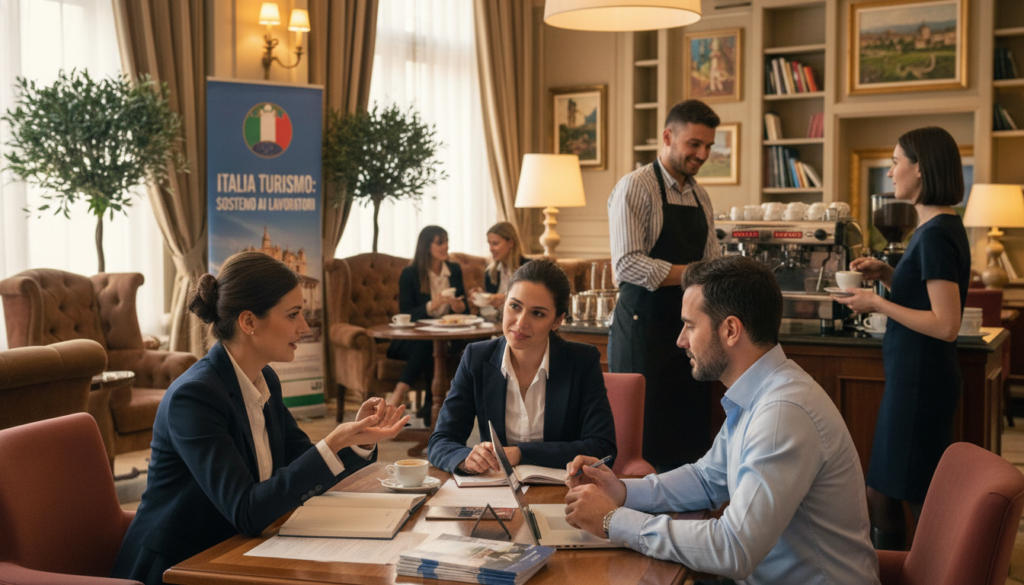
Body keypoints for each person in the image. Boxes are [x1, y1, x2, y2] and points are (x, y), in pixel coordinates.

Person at [563, 256, 880, 585]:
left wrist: (613, 520)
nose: (681, 341)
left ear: (730, 330)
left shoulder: (782, 412)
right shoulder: (761, 391)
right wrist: (622, 492)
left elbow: (735, 549)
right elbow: (706, 479)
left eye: (690, 325)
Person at [111, 252, 409, 585]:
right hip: (179, 567)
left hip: (238, 552)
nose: (305, 327)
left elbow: (304, 465)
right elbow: (246, 511)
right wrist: (333, 441)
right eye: (294, 314)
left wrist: (358, 440)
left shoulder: (264, 380)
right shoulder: (194, 398)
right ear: (249, 322)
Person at [832, 126, 970, 550]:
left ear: (921, 170)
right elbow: (929, 299)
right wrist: (889, 277)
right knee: (891, 491)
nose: (891, 173)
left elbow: (946, 323)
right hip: (915, 379)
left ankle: (928, 570)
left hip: (920, 383)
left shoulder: (934, 234)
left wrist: (877, 305)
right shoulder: (936, 228)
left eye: (896, 162)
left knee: (901, 493)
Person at [607, 98, 722, 472]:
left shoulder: (700, 195)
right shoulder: (635, 187)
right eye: (694, 144)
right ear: (668, 137)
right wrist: (694, 272)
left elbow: (713, 261)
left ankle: (687, 526)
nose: (702, 154)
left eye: (708, 146)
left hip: (691, 336)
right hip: (644, 335)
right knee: (644, 439)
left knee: (688, 437)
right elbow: (628, 264)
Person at [428, 259, 616, 474]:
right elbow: (440, 441)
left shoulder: (582, 360)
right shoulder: (476, 358)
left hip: (565, 491)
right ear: (504, 302)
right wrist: (466, 459)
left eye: (537, 313)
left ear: (557, 321)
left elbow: (603, 449)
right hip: (498, 491)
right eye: (515, 306)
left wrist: (521, 453)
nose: (520, 322)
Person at [387, 225, 470, 421]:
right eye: (440, 242)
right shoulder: (410, 274)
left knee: (441, 347)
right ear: (426, 246)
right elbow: (406, 313)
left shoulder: (454, 270)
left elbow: (463, 309)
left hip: (443, 338)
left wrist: (459, 307)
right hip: (410, 341)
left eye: (447, 241)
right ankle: (408, 400)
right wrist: (433, 304)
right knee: (428, 346)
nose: (446, 246)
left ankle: (421, 409)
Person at [470, 221, 530, 319]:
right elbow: (490, 308)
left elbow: (533, 298)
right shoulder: (490, 272)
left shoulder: (528, 268)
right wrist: (482, 296)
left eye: (495, 243)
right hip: (497, 322)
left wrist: (505, 298)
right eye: (489, 244)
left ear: (510, 243)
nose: (491, 249)